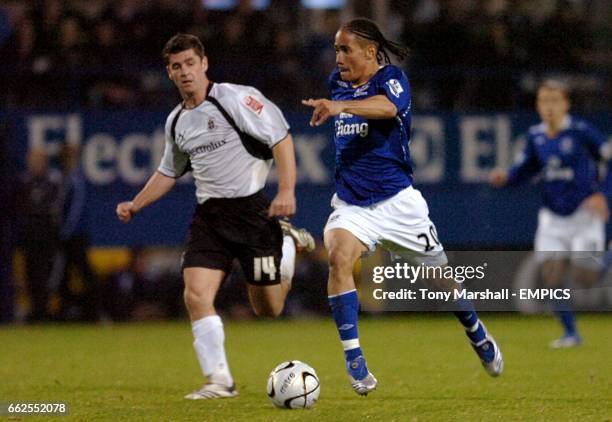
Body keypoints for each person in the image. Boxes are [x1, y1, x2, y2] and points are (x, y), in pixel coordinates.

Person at [302, 18, 503, 396]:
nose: (338, 57)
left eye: (345, 49)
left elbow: (387, 108)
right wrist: (337, 102)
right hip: (352, 204)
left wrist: (340, 105)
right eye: (336, 49)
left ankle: (476, 332)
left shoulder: (392, 79)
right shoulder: (337, 84)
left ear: (370, 52)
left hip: (398, 203)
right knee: (340, 257)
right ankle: (355, 360)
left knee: (441, 281)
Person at [116, 33, 314, 400]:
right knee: (195, 295)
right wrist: (136, 204)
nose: (185, 72)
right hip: (210, 217)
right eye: (177, 67)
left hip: (253, 213)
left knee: (268, 308)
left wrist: (286, 191)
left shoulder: (235, 99)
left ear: (204, 64)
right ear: (170, 73)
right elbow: (168, 172)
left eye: (191, 63)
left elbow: (281, 139)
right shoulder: (177, 121)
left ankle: (285, 245)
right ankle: (220, 380)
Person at [490, 80, 610, 348]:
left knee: (585, 278)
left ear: (566, 104)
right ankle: (571, 334)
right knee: (551, 275)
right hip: (552, 216)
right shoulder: (536, 136)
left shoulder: (581, 132)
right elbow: (526, 170)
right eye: (544, 101)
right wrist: (506, 177)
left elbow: (608, 160)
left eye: (555, 100)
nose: (550, 107)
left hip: (583, 214)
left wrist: (604, 194)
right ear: (538, 105)